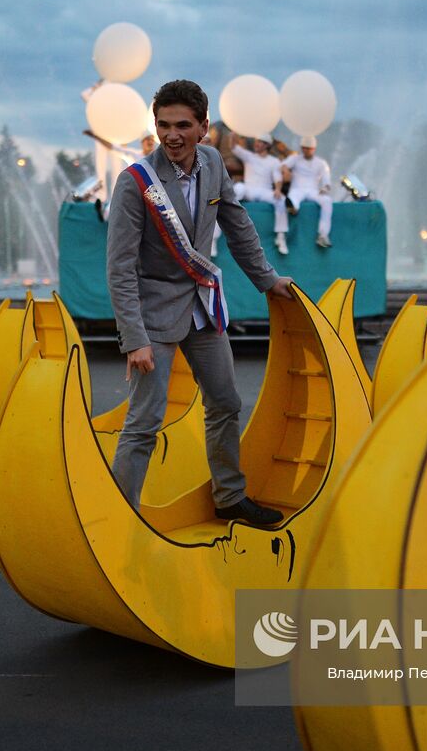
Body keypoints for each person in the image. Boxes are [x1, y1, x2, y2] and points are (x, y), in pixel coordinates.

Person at [107, 79, 293, 526]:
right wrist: (134, 339)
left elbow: (237, 224)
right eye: (163, 124)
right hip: (153, 318)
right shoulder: (135, 184)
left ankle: (229, 497)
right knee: (144, 423)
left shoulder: (211, 162)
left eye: (183, 125)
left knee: (227, 402)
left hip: (202, 309)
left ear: (204, 127)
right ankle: (115, 519)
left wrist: (268, 280)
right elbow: (120, 267)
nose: (172, 134)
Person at [231, 132, 292, 254]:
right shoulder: (248, 156)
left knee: (280, 199)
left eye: (260, 142)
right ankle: (217, 236)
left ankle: (280, 237)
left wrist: (278, 190)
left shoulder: (274, 161)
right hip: (249, 189)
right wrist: (234, 132)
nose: (256, 144)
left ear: (267, 145)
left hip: (265, 191)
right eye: (256, 141)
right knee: (238, 188)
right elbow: (233, 147)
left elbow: (278, 178)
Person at [282, 136, 335, 248]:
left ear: (314, 148)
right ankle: (293, 208)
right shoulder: (295, 158)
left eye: (309, 148)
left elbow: (326, 180)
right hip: (297, 189)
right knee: (292, 198)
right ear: (301, 148)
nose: (306, 150)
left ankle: (323, 235)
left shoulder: (321, 163)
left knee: (327, 200)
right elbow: (283, 165)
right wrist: (286, 171)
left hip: (313, 190)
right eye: (304, 148)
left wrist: (325, 188)